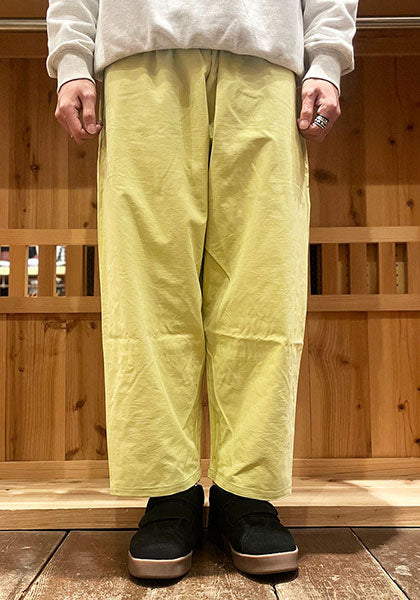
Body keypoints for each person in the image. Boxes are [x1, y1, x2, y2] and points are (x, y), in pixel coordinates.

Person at [46, 0, 359, 580]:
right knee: (147, 286)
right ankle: (169, 491)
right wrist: (71, 58)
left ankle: (247, 491)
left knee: (263, 281)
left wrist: (326, 60)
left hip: (265, 54)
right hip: (140, 52)